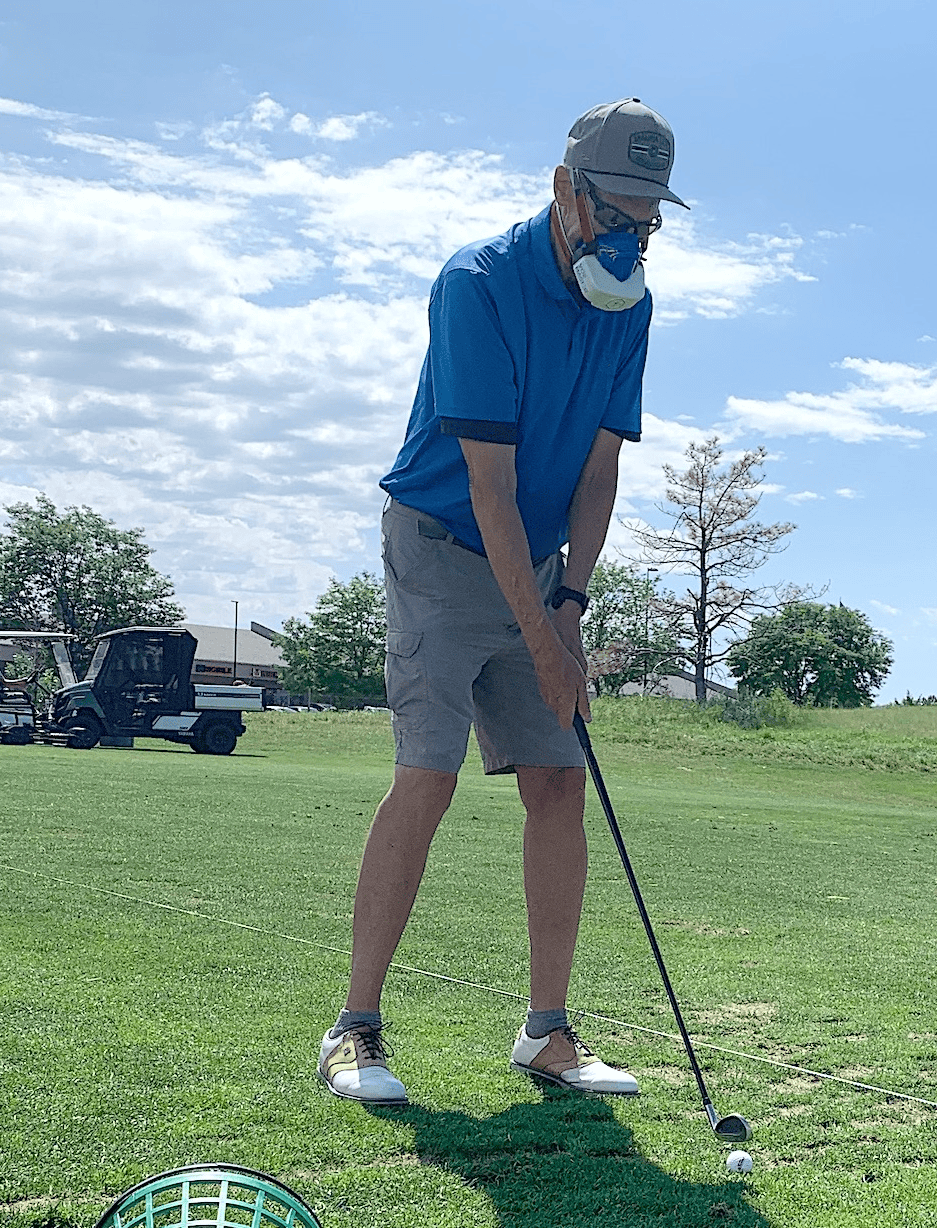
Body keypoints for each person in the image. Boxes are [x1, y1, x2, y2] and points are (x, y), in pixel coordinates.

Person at [318, 98, 687, 1108]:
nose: (631, 238)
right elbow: (490, 483)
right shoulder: (474, 282)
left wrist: (572, 604)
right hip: (442, 546)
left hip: (541, 561)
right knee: (427, 776)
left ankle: (546, 1034)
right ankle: (355, 1029)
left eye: (648, 222)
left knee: (558, 779)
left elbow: (600, 468)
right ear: (564, 190)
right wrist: (544, 634)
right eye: (616, 214)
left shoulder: (631, 307)